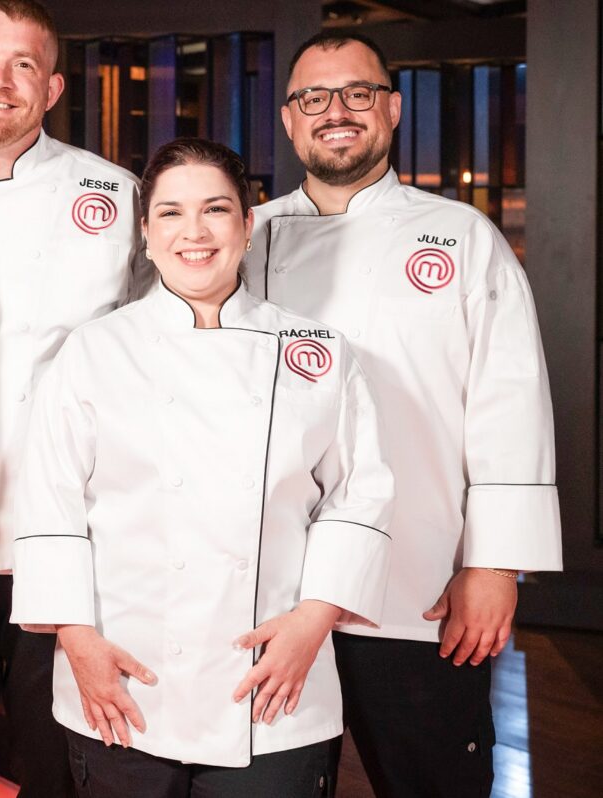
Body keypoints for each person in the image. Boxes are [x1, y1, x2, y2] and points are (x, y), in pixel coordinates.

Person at [11, 137, 393, 796]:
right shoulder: (93, 352)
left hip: (273, 684)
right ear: (145, 234)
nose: (194, 232)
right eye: (170, 213)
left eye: (216, 210)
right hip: (121, 676)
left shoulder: (319, 351)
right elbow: (50, 500)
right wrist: (77, 641)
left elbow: (359, 494)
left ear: (247, 227)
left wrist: (313, 622)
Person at [244, 31, 563, 797]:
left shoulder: (461, 238)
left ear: (389, 109)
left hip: (416, 584)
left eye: (357, 94)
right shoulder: (243, 239)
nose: (336, 112)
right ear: (290, 121)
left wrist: (491, 564)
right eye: (313, 98)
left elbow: (508, 403)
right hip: (274, 590)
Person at [0, 2, 144, 794]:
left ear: (51, 89)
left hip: (68, 532)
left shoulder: (114, 194)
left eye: (23, 65)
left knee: (58, 763)